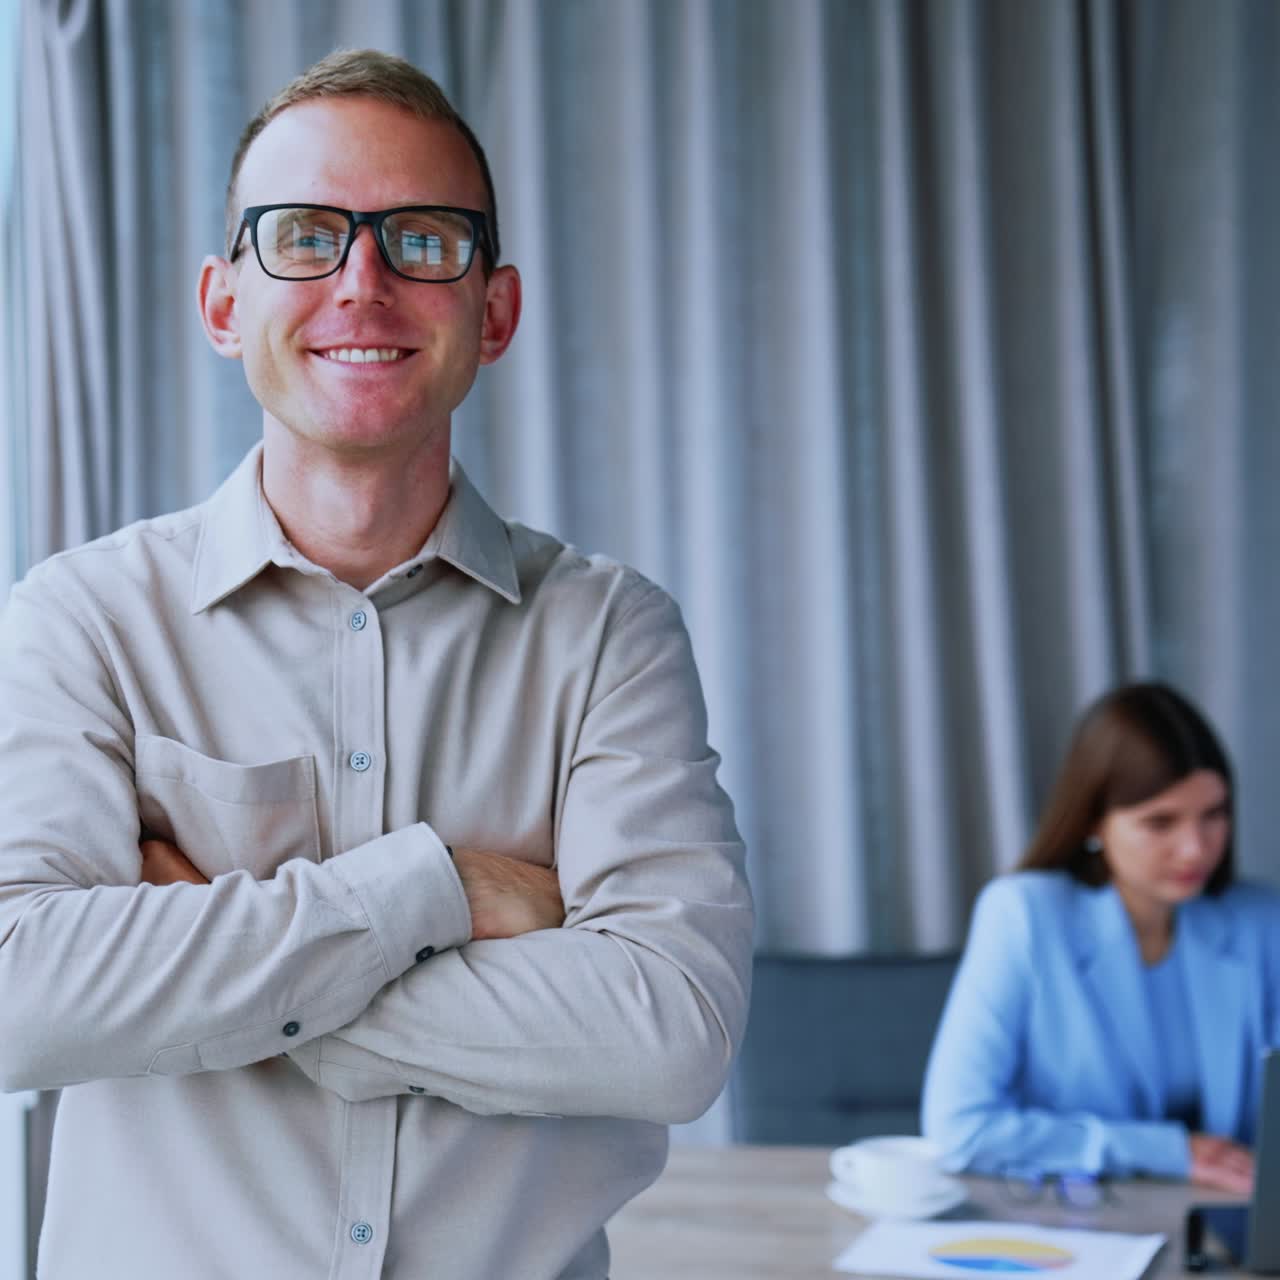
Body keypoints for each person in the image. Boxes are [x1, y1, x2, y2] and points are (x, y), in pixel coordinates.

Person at [0, 49, 753, 1279]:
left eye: (422, 238)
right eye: (303, 233)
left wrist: (210, 955)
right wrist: (437, 888)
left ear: (493, 311)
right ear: (222, 302)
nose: (362, 282)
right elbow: (18, 999)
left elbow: (671, 1036)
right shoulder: (83, 618)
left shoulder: (612, 632)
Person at [922, 681, 1279, 1196]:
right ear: (1094, 821)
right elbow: (961, 1129)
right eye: (1160, 822)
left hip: (1228, 1225)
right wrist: (1168, 1151)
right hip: (1075, 1224)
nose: (1195, 849)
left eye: (1214, 815)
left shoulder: (1260, 921)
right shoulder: (1024, 915)